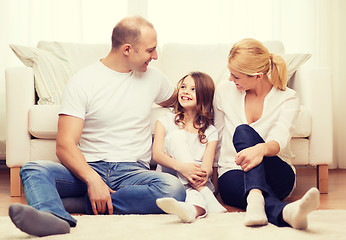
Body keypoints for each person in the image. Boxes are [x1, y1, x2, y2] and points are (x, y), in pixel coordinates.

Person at [8, 16, 186, 237]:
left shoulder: (153, 78)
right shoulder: (83, 81)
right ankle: (52, 219)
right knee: (33, 169)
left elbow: (179, 99)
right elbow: (64, 145)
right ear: (127, 49)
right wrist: (93, 180)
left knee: (173, 189)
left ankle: (77, 206)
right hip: (88, 167)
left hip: (131, 173)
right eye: (151, 50)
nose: (155, 56)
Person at [213, 38, 320, 229]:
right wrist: (212, 178)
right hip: (233, 173)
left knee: (243, 132)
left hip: (277, 173)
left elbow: (280, 139)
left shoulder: (287, 97)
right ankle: (286, 212)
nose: (230, 79)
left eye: (236, 76)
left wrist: (260, 150)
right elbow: (218, 135)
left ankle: (254, 197)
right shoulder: (223, 91)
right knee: (251, 190)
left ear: (258, 76)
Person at [152, 72, 227, 223]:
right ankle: (204, 194)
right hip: (173, 179)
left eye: (193, 89)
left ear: (204, 95)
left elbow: (208, 166)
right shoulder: (165, 121)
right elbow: (157, 155)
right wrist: (183, 168)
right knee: (176, 136)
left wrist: (202, 175)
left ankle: (191, 210)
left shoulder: (210, 131)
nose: (185, 91)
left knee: (194, 197)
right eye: (184, 87)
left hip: (198, 181)